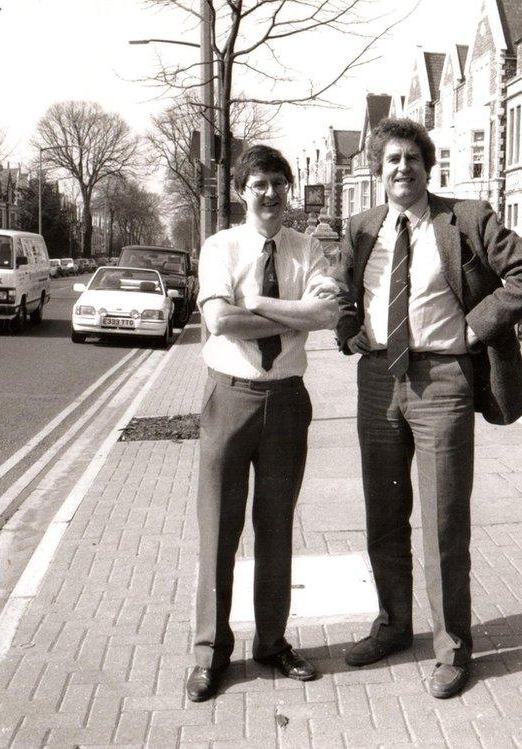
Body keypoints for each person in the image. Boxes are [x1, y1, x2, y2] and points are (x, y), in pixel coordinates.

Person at [334, 118, 522, 699]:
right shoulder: (360, 229)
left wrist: (474, 327)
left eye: (412, 158)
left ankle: (453, 646)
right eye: (391, 160)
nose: (401, 167)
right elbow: (340, 293)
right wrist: (348, 328)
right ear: (378, 172)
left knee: (443, 521)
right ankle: (392, 625)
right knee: (383, 512)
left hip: (444, 381)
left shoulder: (467, 217)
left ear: (428, 168)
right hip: (378, 378)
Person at [188, 144, 340, 702]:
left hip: (287, 403)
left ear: (289, 189)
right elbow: (219, 320)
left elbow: (327, 314)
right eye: (259, 184)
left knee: (276, 529)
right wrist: (287, 311)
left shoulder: (308, 249)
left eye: (279, 182)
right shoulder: (219, 246)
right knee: (220, 531)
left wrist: (260, 302)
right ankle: (210, 651)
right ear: (241, 192)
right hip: (230, 400)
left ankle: (272, 643)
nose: (270, 193)